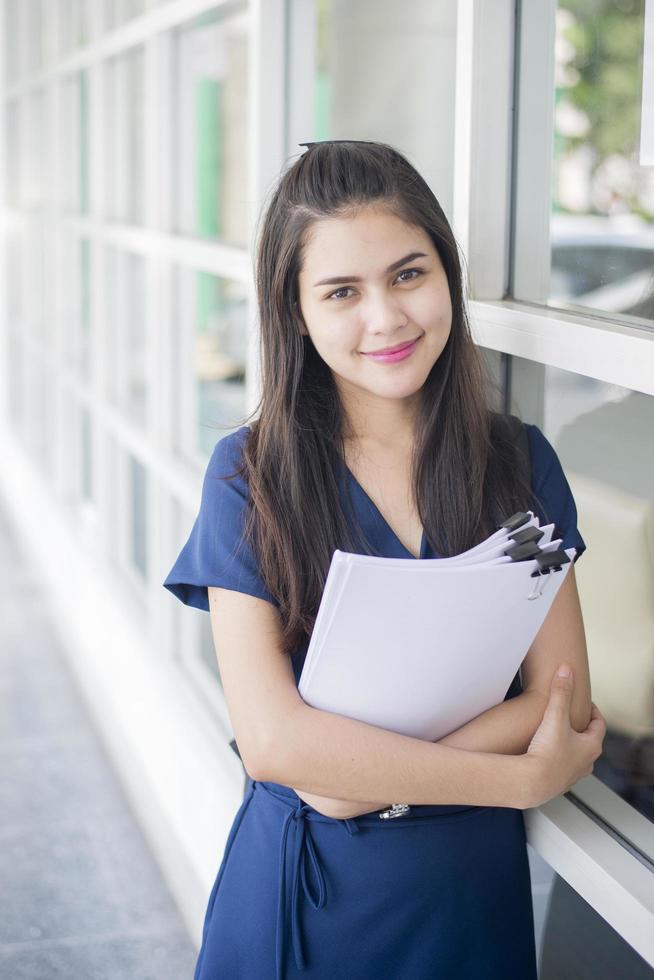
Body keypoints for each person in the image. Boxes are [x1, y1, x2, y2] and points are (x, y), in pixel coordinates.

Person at [163, 140, 606, 980]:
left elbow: (565, 696)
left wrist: (347, 773)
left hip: (470, 897)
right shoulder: (248, 476)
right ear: (295, 313)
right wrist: (515, 781)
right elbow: (272, 746)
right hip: (310, 899)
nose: (387, 318)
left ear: (445, 274)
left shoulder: (519, 462)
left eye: (409, 274)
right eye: (342, 292)